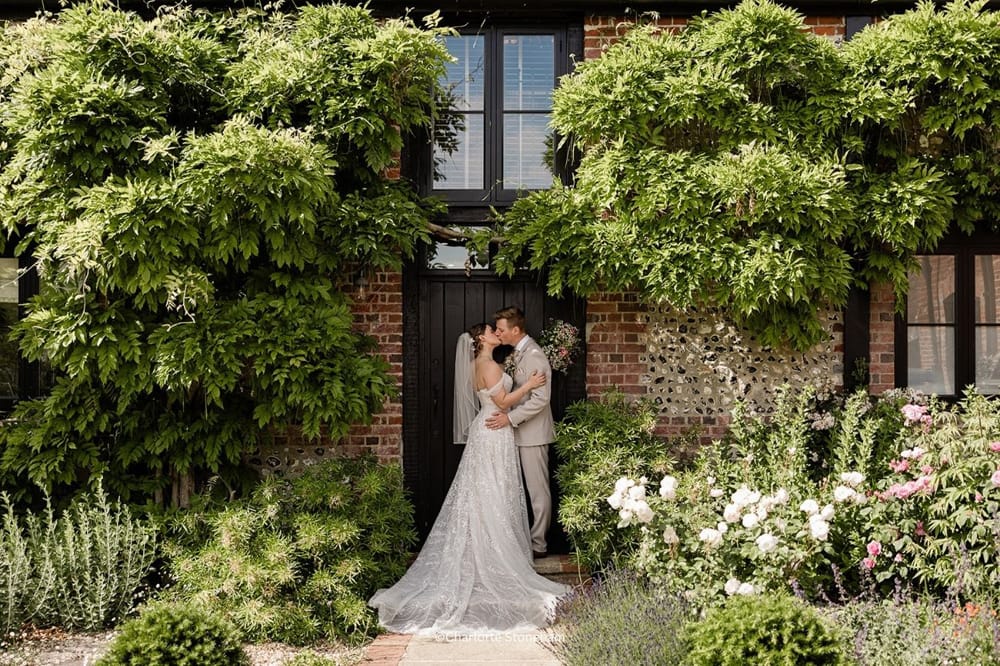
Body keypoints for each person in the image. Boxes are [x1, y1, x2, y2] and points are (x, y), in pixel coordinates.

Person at [368, 323, 569, 634]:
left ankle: (493, 547)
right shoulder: (487, 365)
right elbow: (502, 403)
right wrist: (528, 386)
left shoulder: (485, 363)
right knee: (490, 490)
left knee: (487, 490)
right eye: (490, 331)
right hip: (493, 431)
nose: (495, 333)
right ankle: (493, 554)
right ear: (480, 339)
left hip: (492, 431)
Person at [487, 306, 555, 559]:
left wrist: (510, 418)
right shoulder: (519, 353)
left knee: (538, 492)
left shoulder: (535, 355)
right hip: (518, 433)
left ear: (515, 330)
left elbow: (540, 400)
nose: (498, 333)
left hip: (533, 434)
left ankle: (539, 544)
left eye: (501, 329)